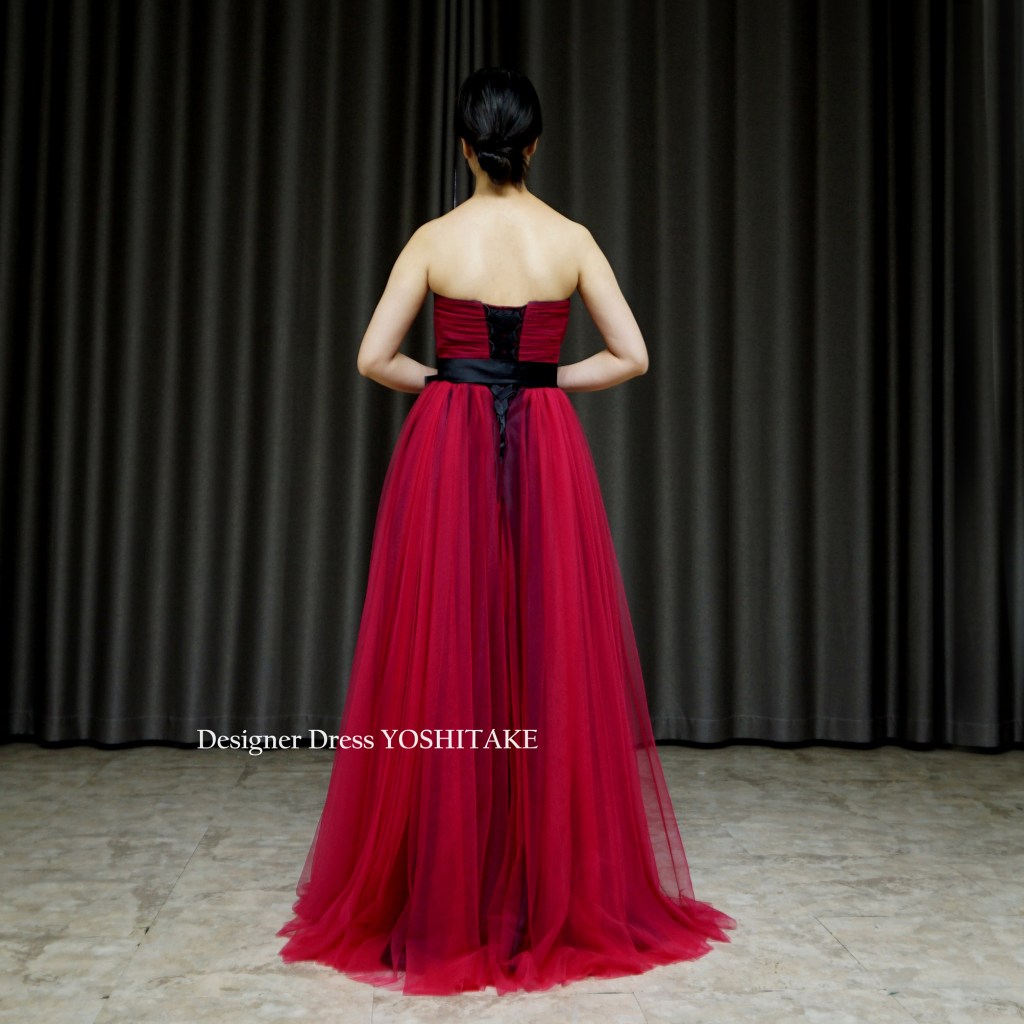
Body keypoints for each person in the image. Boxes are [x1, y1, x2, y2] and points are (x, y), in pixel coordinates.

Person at [277, 66, 736, 996]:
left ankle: (445, 885)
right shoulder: (570, 239)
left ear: (465, 147)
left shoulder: (434, 239)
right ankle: (544, 885)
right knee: (545, 646)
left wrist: (450, 385)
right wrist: (544, 382)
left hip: (445, 447)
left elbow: (373, 357)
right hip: (546, 446)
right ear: (533, 146)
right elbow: (632, 355)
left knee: (446, 649)